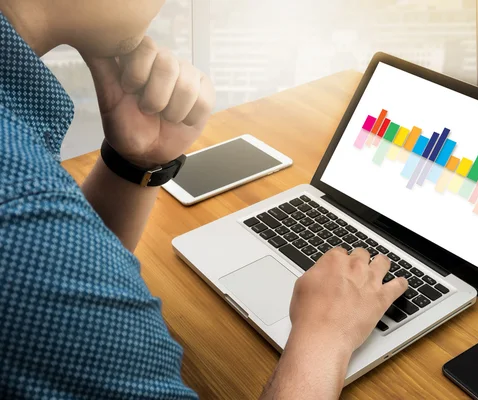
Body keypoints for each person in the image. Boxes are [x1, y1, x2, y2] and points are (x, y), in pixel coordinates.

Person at [0, 1, 409, 398]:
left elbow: (55, 282)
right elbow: (39, 257)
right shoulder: (21, 212)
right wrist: (325, 339)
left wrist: (135, 165)